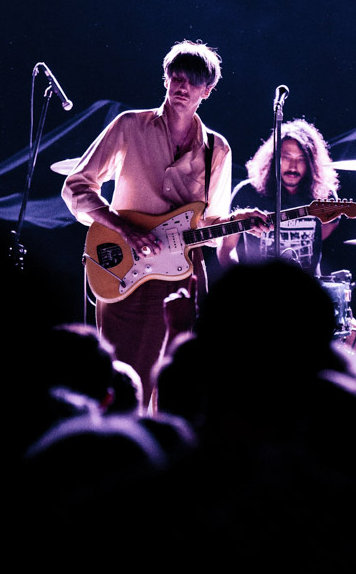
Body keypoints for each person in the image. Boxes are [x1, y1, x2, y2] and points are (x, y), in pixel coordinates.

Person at [62, 40, 268, 407]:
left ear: (207, 91)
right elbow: (76, 187)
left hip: (181, 275)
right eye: (176, 77)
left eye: (192, 81)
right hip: (124, 267)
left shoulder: (217, 149)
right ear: (166, 79)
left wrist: (237, 222)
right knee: (120, 377)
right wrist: (124, 228)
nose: (181, 86)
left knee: (175, 381)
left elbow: (210, 221)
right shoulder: (129, 126)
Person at [217, 118, 341, 276]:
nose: (293, 166)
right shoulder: (246, 192)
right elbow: (226, 248)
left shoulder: (325, 195)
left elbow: (326, 229)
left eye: (301, 159)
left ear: (312, 163)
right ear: (273, 158)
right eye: (286, 157)